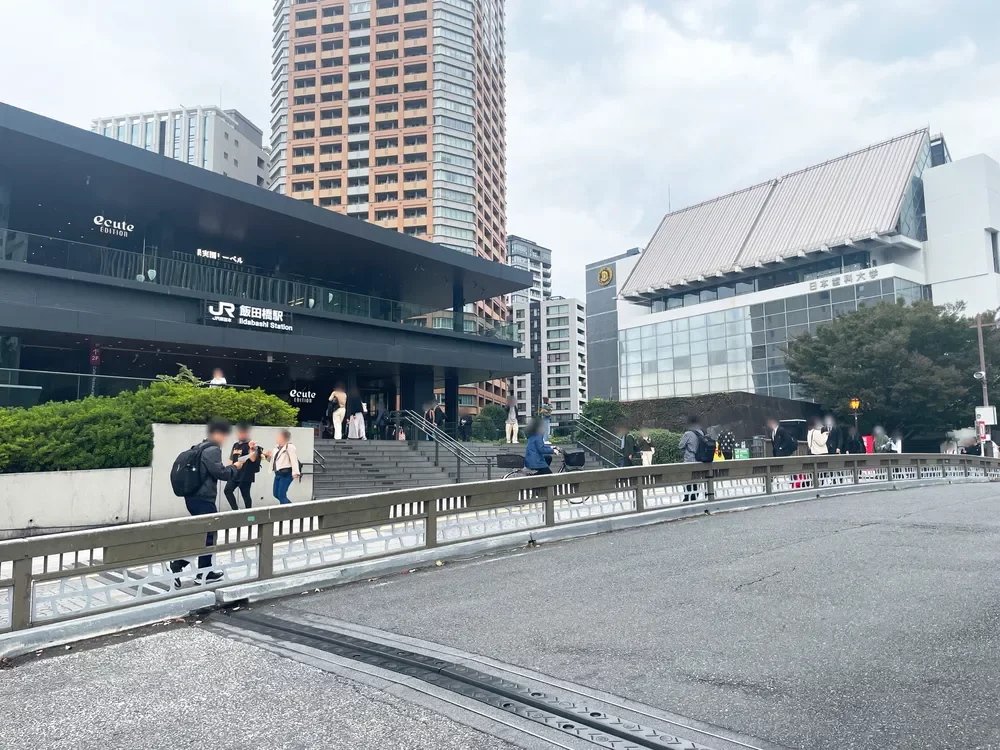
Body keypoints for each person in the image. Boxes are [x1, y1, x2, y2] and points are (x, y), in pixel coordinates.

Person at [170, 419, 243, 586]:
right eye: (224, 435)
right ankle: (181, 566)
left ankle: (203, 571)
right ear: (217, 434)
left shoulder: (199, 447)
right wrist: (235, 467)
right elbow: (221, 473)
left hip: (193, 497)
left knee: (204, 535)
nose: (225, 439)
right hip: (203, 499)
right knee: (207, 535)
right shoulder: (212, 449)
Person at [224, 423, 261, 510]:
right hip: (235, 472)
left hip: (246, 474)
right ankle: (235, 510)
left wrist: (251, 448)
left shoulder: (251, 444)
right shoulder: (235, 445)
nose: (240, 434)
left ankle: (249, 514)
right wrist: (227, 470)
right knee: (227, 490)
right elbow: (232, 459)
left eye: (242, 432)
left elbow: (253, 459)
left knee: (245, 495)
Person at [264, 429, 301, 504]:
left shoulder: (289, 447)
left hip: (286, 473)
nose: (276, 438)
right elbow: (274, 461)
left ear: (283, 437)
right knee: (276, 494)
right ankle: (292, 507)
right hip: (277, 473)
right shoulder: (276, 448)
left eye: (278, 436)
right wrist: (267, 456)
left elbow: (294, 460)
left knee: (281, 495)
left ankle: (286, 510)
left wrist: (295, 472)